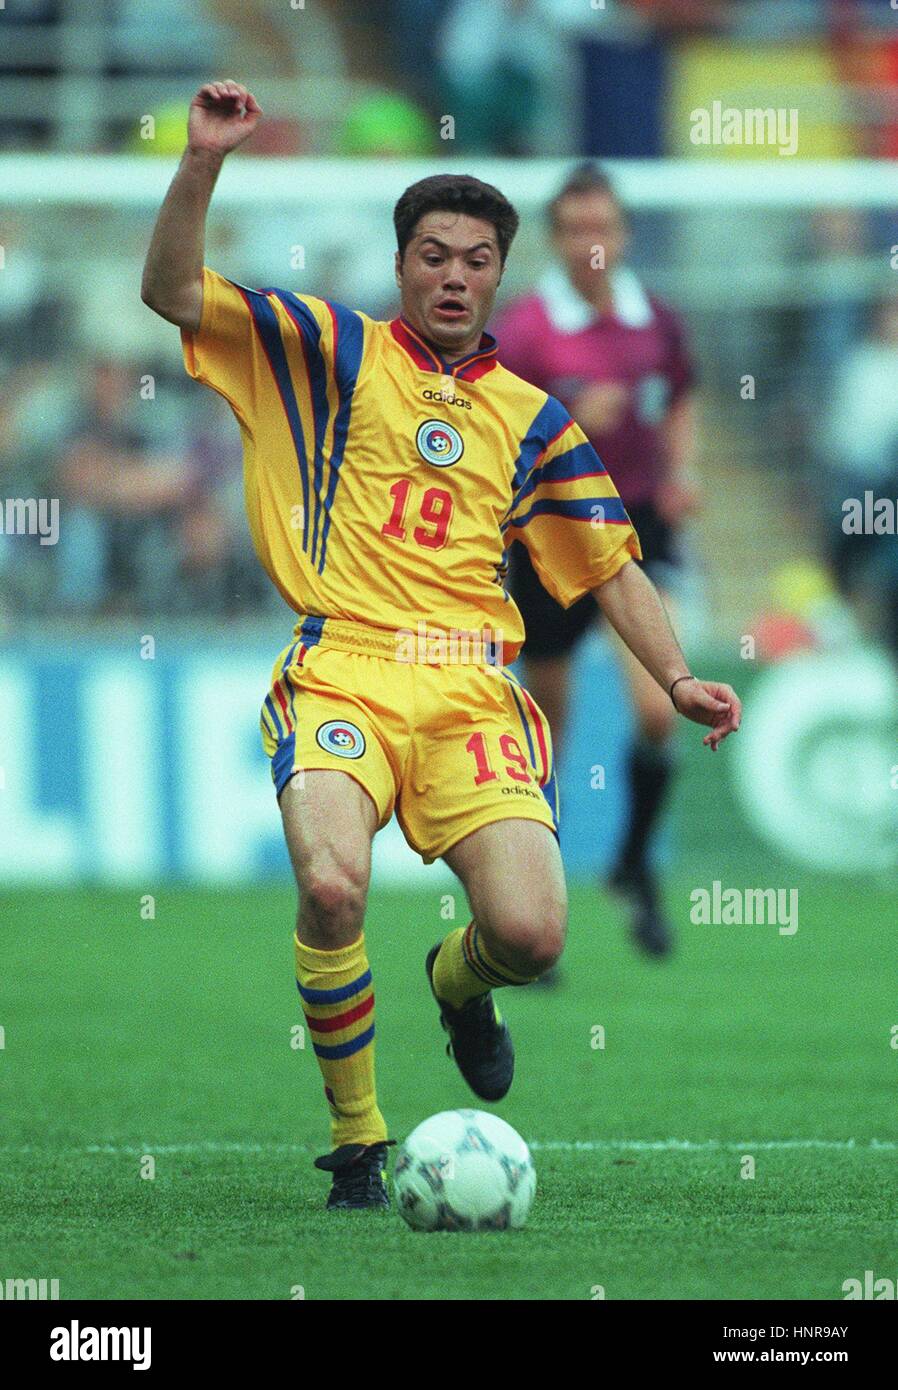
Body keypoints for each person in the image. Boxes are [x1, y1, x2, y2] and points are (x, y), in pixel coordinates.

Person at [141, 81, 740, 1211]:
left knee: (531, 932)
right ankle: (358, 1139)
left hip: (471, 688)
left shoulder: (533, 417)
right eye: (431, 254)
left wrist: (677, 676)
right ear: (402, 262)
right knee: (328, 887)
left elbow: (610, 560)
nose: (452, 275)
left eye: (474, 258)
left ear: (499, 274)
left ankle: (457, 983)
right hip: (342, 667)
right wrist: (202, 161)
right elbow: (170, 288)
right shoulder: (322, 348)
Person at [493, 163, 700, 957]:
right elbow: (493, 427)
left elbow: (682, 395)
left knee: (658, 708)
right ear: (556, 238)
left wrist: (685, 471)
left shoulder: (658, 322)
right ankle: (534, 906)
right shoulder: (527, 330)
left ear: (625, 233)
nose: (592, 243)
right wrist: (569, 415)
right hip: (550, 534)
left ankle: (634, 864)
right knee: (550, 732)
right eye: (577, 229)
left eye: (604, 227)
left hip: (640, 527)